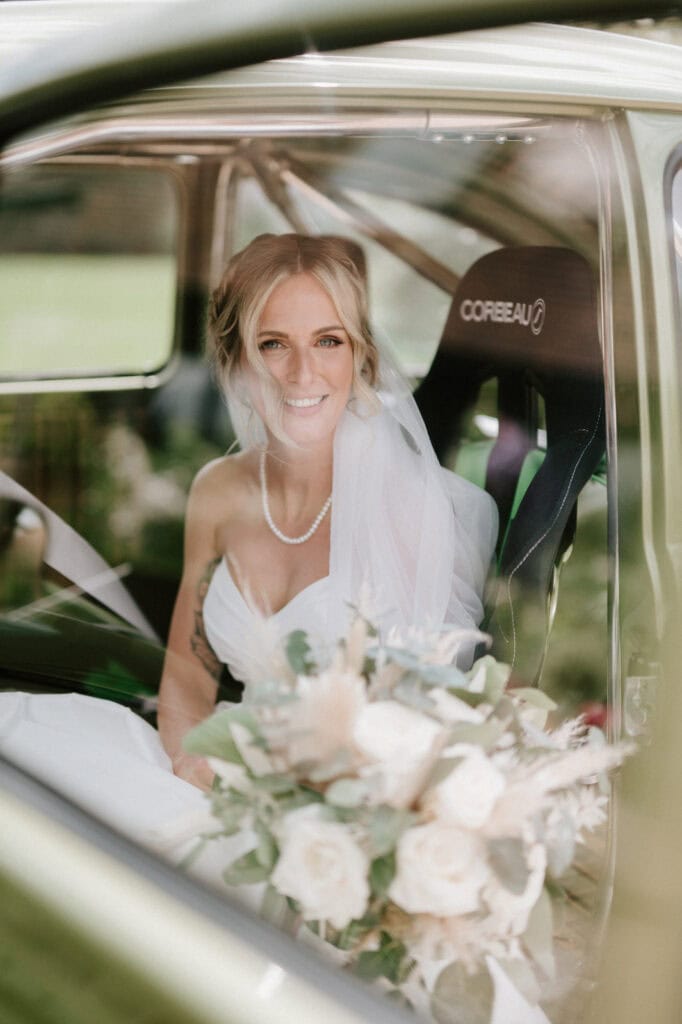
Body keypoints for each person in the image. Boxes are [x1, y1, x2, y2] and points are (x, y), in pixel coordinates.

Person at [157, 233, 498, 792]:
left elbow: (425, 731)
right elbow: (189, 669)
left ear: (360, 354)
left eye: (327, 341)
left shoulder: (414, 514)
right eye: (272, 344)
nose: (301, 373)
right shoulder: (216, 490)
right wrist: (187, 764)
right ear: (235, 356)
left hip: (342, 804)